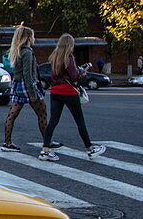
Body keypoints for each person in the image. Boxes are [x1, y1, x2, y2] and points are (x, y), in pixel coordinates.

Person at [39, 33, 106, 161]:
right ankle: (90, 148)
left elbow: (54, 76)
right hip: (68, 92)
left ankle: (45, 149)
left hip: (55, 92)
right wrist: (83, 71)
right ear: (70, 45)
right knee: (79, 120)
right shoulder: (69, 57)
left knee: (53, 121)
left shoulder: (54, 57)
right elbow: (75, 76)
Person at [1, 26, 58, 152]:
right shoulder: (27, 52)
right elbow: (28, 74)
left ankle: (7, 142)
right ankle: (47, 141)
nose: (34, 38)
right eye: (32, 36)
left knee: (12, 115)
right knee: (42, 114)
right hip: (27, 85)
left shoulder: (16, 51)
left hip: (17, 84)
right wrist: (32, 92)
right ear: (28, 38)